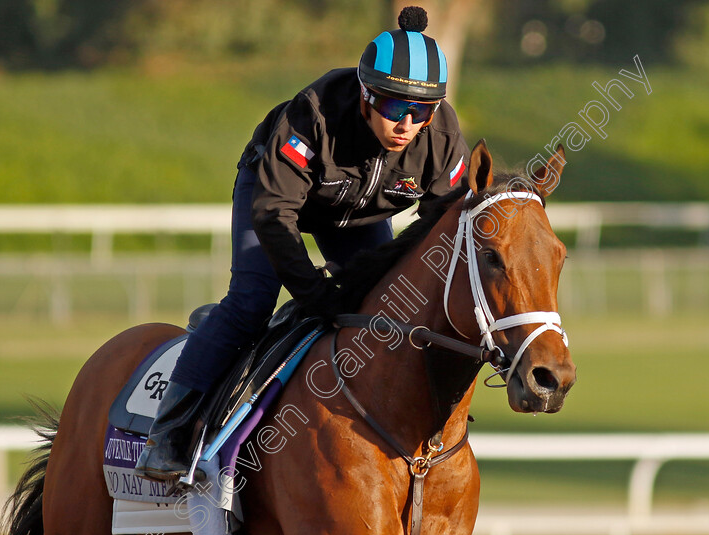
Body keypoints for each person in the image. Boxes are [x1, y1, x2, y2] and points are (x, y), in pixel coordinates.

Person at [135, 6, 471, 484]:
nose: (407, 125)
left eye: (421, 110)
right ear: (364, 95)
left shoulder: (439, 135)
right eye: (394, 107)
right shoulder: (315, 112)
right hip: (276, 196)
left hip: (357, 214)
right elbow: (275, 215)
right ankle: (166, 434)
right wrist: (315, 293)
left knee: (390, 307)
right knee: (252, 301)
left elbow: (445, 222)